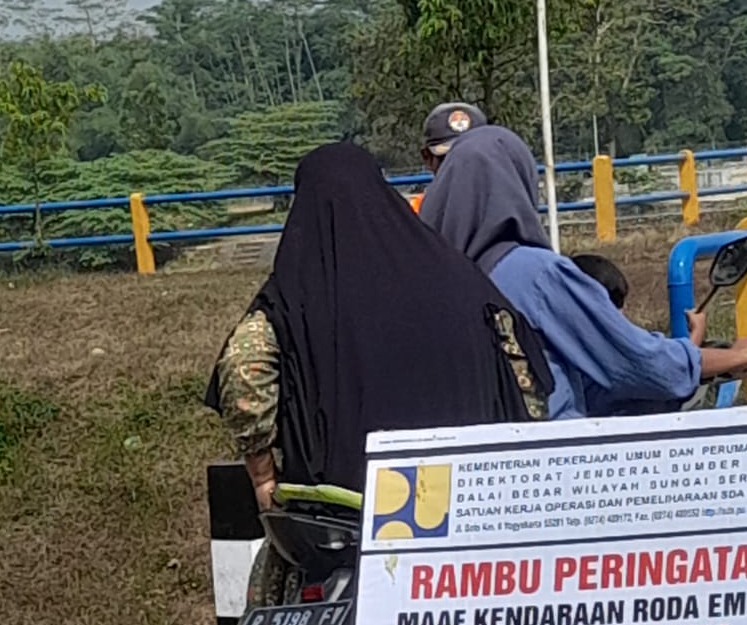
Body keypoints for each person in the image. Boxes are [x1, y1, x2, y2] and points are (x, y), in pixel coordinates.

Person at [208, 141, 550, 512]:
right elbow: (520, 370)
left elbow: (244, 369)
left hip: (345, 513)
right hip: (465, 501)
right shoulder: (461, 279)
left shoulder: (298, 294)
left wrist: (262, 474)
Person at [419, 125, 747, 420]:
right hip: (551, 467)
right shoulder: (535, 274)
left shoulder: (430, 283)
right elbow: (637, 363)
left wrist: (687, 349)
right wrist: (738, 355)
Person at [409, 102, 487, 214]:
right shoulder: (413, 216)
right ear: (428, 158)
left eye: (472, 159)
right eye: (447, 160)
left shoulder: (509, 210)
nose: (460, 168)